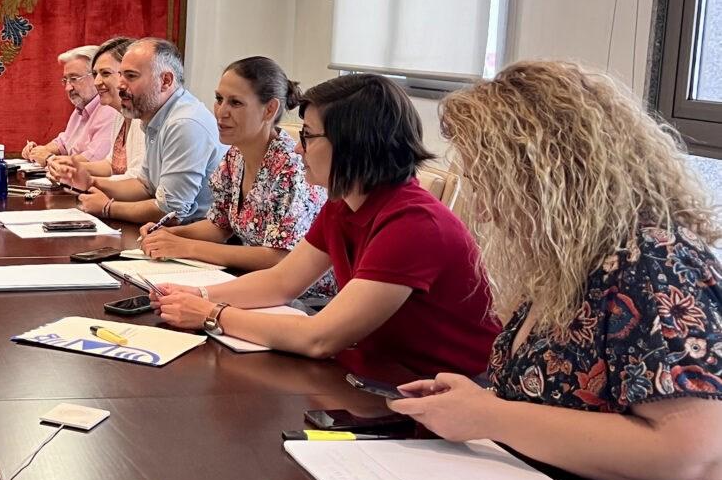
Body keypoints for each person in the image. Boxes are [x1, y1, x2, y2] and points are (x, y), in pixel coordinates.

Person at [386, 61, 722, 480]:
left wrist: (490, 416)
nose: (484, 211)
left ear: (551, 177)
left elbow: (693, 453)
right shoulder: (567, 264)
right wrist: (475, 400)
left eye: (491, 185)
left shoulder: (654, 261)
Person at [152, 73, 499, 379]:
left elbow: (320, 338)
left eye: (308, 136)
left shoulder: (414, 224)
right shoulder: (343, 203)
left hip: (440, 391)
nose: (298, 149)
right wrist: (197, 295)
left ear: (353, 144)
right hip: (382, 372)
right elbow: (282, 281)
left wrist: (212, 314)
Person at [140, 56, 333, 298]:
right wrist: (169, 235)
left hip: (305, 299)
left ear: (269, 110)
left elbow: (279, 257)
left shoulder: (291, 168)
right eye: (219, 99)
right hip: (253, 282)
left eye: (236, 103)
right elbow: (219, 226)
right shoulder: (235, 155)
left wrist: (187, 247)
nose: (221, 112)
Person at [48, 38, 221, 224]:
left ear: (165, 81)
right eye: (121, 75)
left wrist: (108, 208)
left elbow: (171, 211)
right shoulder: (155, 116)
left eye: (131, 76)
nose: (120, 85)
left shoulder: (184, 123)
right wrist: (90, 181)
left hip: (194, 233)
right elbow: (144, 186)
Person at [48, 36, 146, 181]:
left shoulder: (140, 118)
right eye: (95, 74)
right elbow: (110, 165)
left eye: (105, 73)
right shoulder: (120, 114)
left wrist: (88, 182)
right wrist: (71, 167)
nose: (97, 82)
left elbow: (137, 181)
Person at [20, 46, 118, 167]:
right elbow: (64, 142)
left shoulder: (110, 109)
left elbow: (93, 160)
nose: (68, 88)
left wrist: (49, 158)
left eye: (74, 79)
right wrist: (39, 151)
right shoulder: (81, 107)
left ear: (96, 76)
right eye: (65, 80)